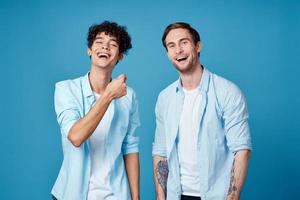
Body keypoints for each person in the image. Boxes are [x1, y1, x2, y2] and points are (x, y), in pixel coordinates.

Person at [152, 22, 252, 200]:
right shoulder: (164, 98)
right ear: (167, 53)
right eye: (171, 46)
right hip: (177, 195)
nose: (178, 50)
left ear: (198, 46)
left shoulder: (227, 92)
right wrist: (161, 197)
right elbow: (161, 152)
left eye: (184, 42)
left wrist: (233, 196)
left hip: (217, 196)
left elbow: (241, 148)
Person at [51, 21, 140, 200]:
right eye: (99, 42)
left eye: (113, 44)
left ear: (120, 56)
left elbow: (130, 147)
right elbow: (75, 137)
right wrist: (107, 96)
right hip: (72, 194)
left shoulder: (128, 96)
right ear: (89, 50)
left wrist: (136, 198)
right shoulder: (66, 89)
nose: (105, 46)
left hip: (116, 194)